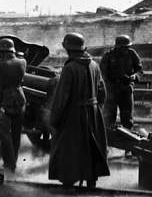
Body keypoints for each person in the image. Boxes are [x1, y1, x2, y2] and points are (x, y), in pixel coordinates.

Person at [49, 33, 110, 188]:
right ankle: (91, 180)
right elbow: (102, 92)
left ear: (69, 49)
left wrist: (54, 119)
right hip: (94, 113)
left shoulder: (69, 68)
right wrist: (96, 108)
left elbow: (61, 97)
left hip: (74, 115)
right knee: (92, 147)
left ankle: (69, 182)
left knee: (69, 147)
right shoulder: (94, 65)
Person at [0, 38, 26, 173]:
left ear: (1, 52)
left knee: (4, 133)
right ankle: (14, 161)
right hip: (20, 98)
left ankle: (9, 164)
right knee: (16, 132)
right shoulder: (22, 61)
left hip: (5, 99)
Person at [100, 35, 143, 129]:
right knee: (108, 118)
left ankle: (127, 139)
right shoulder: (108, 56)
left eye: (127, 47)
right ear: (117, 46)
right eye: (123, 48)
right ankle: (109, 139)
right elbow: (103, 75)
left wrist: (135, 76)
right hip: (112, 90)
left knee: (127, 119)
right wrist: (110, 87)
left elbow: (140, 70)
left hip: (126, 89)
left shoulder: (132, 54)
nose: (125, 50)